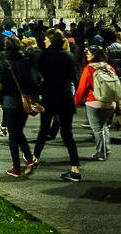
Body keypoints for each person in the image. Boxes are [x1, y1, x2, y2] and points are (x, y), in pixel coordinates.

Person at [33, 28, 82, 182]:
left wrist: (38, 92)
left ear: (51, 40)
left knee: (44, 129)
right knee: (67, 134)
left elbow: (38, 75)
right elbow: (74, 77)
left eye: (46, 38)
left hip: (49, 95)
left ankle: (35, 158)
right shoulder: (68, 55)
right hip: (65, 96)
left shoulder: (44, 55)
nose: (44, 40)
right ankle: (75, 168)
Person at [0, 36, 40, 177]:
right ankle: (29, 158)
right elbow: (36, 79)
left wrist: (2, 96)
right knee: (18, 131)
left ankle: (16, 167)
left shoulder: (3, 62)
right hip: (25, 100)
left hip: (10, 101)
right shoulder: (27, 60)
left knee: (13, 135)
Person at [75, 45, 117, 161]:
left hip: (94, 102)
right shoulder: (109, 67)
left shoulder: (89, 69)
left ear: (94, 55)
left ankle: (101, 154)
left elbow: (82, 87)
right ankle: (106, 150)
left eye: (89, 53)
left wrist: (77, 101)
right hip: (110, 102)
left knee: (97, 129)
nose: (87, 55)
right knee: (104, 126)